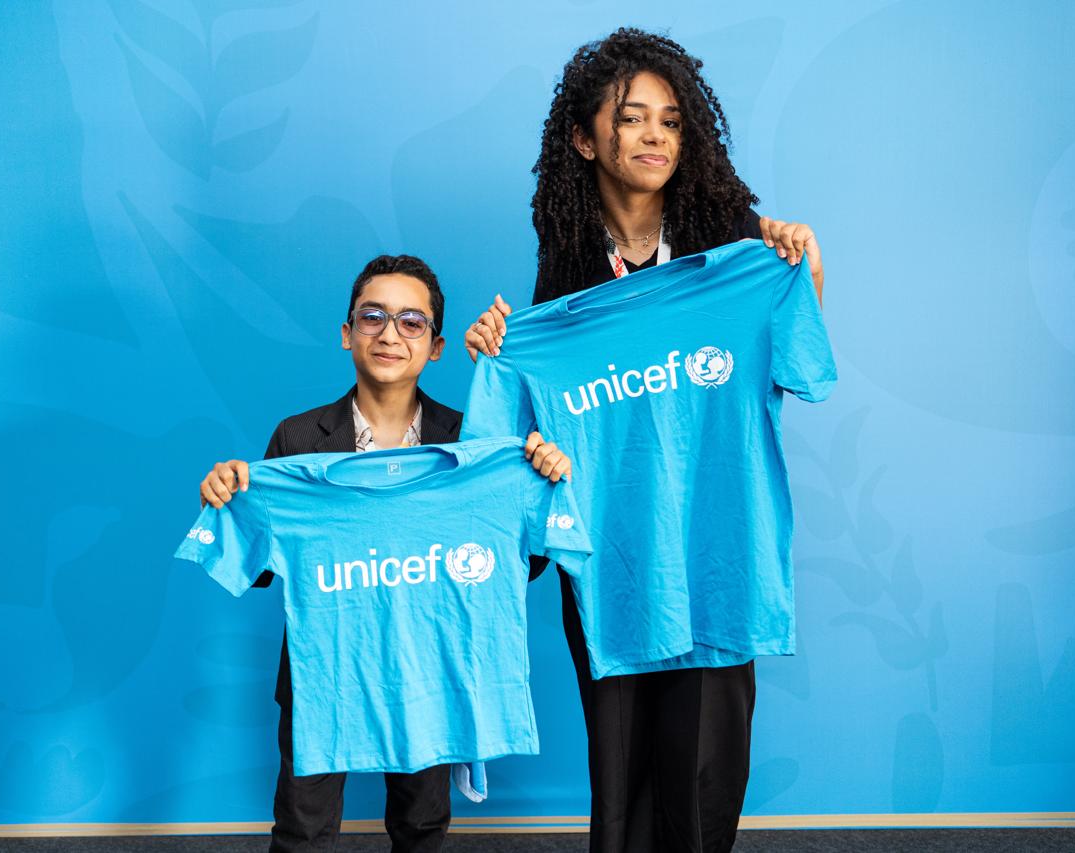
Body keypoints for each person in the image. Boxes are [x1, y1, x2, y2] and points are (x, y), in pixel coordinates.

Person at [462, 29, 827, 853]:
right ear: (585, 139)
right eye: (632, 118)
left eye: (670, 119)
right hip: (615, 556)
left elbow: (802, 358)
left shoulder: (737, 247)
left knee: (704, 776)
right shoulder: (566, 269)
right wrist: (499, 351)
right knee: (621, 768)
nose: (655, 135)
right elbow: (525, 435)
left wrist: (803, 264)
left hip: (716, 550)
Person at [198, 254, 570, 853]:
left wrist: (539, 480)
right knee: (303, 830)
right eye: (372, 317)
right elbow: (265, 565)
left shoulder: (472, 442)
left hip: (431, 666)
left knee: (422, 826)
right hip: (325, 673)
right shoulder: (297, 439)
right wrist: (228, 497)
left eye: (411, 321)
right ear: (347, 333)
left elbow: (515, 562)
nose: (390, 334)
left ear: (437, 347)